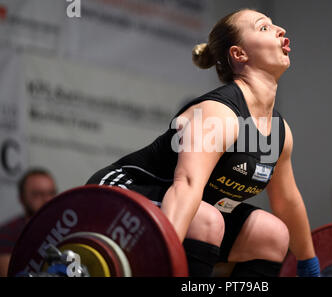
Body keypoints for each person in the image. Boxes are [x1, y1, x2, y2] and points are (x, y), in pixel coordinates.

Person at [87, 8, 319, 277]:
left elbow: (287, 202)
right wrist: (159, 259)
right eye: (263, 27)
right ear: (239, 54)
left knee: (273, 234)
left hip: (193, 211)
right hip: (118, 193)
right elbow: (186, 187)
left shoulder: (279, 133)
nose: (280, 30)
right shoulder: (218, 114)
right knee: (207, 219)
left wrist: (310, 266)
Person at [0, 168, 57, 277]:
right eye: (37, 194)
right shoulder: (8, 233)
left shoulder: (66, 226)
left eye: (51, 193)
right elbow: (7, 272)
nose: (46, 199)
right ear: (22, 198)